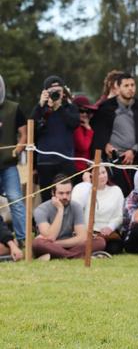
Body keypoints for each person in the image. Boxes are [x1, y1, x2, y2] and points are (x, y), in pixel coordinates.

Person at [90, 73, 138, 196]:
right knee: (117, 195)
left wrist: (133, 150)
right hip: (114, 163)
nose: (130, 88)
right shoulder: (106, 108)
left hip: (137, 162)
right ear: (118, 88)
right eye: (126, 85)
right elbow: (98, 132)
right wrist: (105, 145)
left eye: (132, 85)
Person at [32, 174, 107, 259]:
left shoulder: (76, 207)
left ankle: (62, 255)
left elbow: (82, 237)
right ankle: (75, 256)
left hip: (69, 244)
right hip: (47, 246)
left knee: (100, 241)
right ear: (53, 193)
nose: (65, 197)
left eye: (68, 193)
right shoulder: (41, 209)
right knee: (37, 243)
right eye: (61, 193)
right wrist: (60, 210)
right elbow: (50, 237)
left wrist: (56, 243)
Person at [31, 75, 79, 201]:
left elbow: (74, 123)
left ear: (63, 92)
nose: (56, 94)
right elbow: (31, 128)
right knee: (47, 200)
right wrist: (40, 105)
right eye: (53, 92)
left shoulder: (70, 108)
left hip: (66, 161)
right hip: (45, 162)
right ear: (45, 92)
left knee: (67, 199)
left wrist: (59, 108)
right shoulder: (41, 109)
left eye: (59, 91)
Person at [71, 165, 125, 254]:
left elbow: (119, 215)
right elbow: (76, 208)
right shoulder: (83, 190)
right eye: (97, 174)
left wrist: (110, 227)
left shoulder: (116, 190)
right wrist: (87, 184)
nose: (102, 176)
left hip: (108, 234)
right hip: (87, 233)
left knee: (114, 248)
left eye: (104, 172)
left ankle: (95, 249)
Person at [0, 74, 28, 245]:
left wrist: (17, 150)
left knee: (16, 200)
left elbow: (24, 134)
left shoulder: (13, 108)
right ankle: (5, 240)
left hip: (9, 166)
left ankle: (24, 239)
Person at [72, 95, 98, 174]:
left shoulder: (83, 126)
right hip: (77, 169)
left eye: (87, 111)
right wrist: (89, 130)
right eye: (81, 111)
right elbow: (83, 146)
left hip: (84, 168)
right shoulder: (76, 126)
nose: (84, 114)